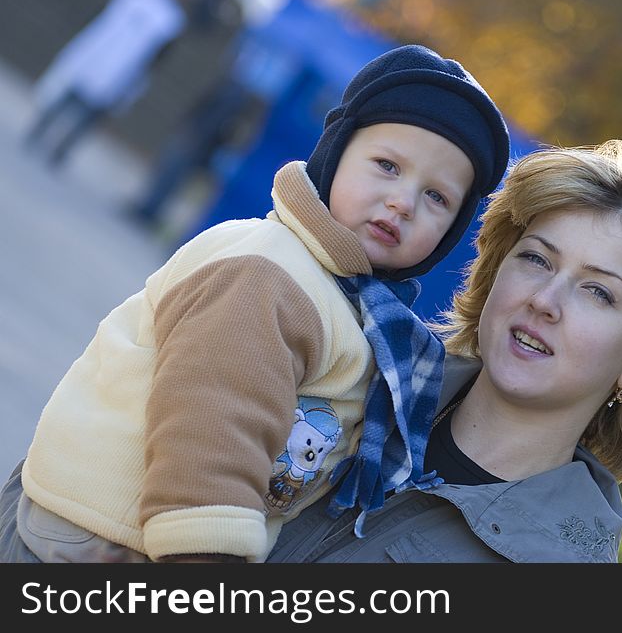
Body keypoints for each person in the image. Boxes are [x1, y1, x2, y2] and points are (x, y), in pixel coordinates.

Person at [0, 44, 510, 562]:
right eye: (386, 165)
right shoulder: (269, 274)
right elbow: (211, 437)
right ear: (334, 155)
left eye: (437, 197)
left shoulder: (351, 303)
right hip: (104, 538)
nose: (403, 201)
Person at [262, 139, 622, 562]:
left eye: (598, 292)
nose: (544, 300)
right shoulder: (342, 368)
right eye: (536, 259)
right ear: (495, 270)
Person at [22, 0, 186, 167]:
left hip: (120, 66)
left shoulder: (166, 14)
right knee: (72, 97)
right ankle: (45, 135)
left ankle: (58, 145)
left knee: (86, 108)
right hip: (104, 53)